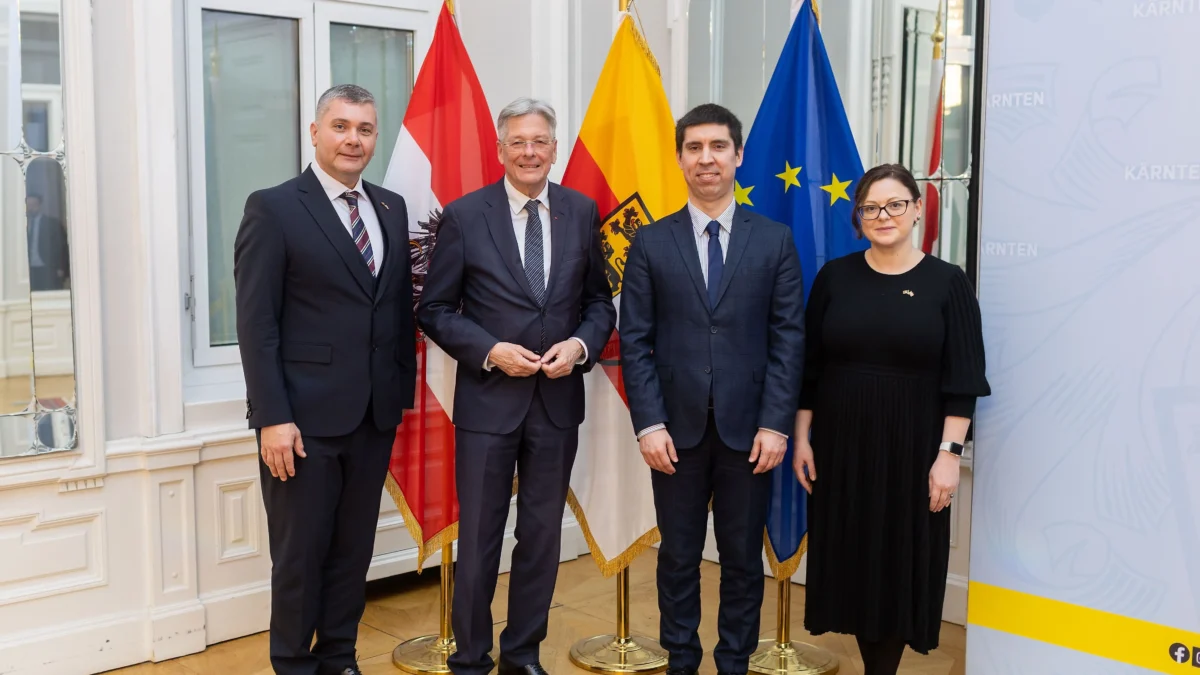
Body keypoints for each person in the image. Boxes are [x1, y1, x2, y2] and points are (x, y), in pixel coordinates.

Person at [417, 97, 616, 675]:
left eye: (540, 142)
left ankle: (522, 654)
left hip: (556, 405)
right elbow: (435, 309)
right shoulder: (463, 215)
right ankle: (472, 660)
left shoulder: (581, 211)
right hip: (487, 405)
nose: (530, 152)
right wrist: (489, 351)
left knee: (540, 538)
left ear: (554, 149)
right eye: (518, 142)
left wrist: (580, 346)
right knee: (480, 541)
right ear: (500, 150)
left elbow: (600, 301)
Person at [234, 84, 416, 675]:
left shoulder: (390, 206)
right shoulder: (274, 206)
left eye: (364, 129)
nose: (353, 139)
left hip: (373, 416)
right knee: (299, 558)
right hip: (301, 422)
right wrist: (272, 417)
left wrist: (400, 395)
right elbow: (257, 325)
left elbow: (391, 311)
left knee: (351, 552)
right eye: (341, 126)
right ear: (315, 132)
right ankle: (291, 664)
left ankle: (339, 658)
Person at [618, 103, 806, 675]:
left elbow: (788, 340)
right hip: (672, 433)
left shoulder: (774, 241)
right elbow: (635, 340)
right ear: (679, 158)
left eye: (718, 147)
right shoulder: (649, 243)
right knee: (676, 557)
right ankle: (680, 659)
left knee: (743, 559)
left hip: (751, 433)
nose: (707, 158)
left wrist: (776, 424)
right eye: (694, 148)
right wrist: (648, 424)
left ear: (738, 155)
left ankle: (734, 663)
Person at [794, 163, 990, 675]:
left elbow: (964, 380)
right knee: (856, 562)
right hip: (843, 447)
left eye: (895, 204)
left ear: (918, 209)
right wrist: (801, 439)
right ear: (858, 217)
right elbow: (809, 368)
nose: (884, 216)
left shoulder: (949, 283)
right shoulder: (834, 277)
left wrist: (949, 457)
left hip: (914, 450)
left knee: (901, 564)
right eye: (871, 208)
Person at [25, 193, 69, 291]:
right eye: (29, 206)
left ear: (40, 205)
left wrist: (61, 268)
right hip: (29, 270)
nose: (31, 208)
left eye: (33, 205)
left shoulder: (52, 223)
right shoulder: (22, 225)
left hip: (48, 268)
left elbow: (61, 247)